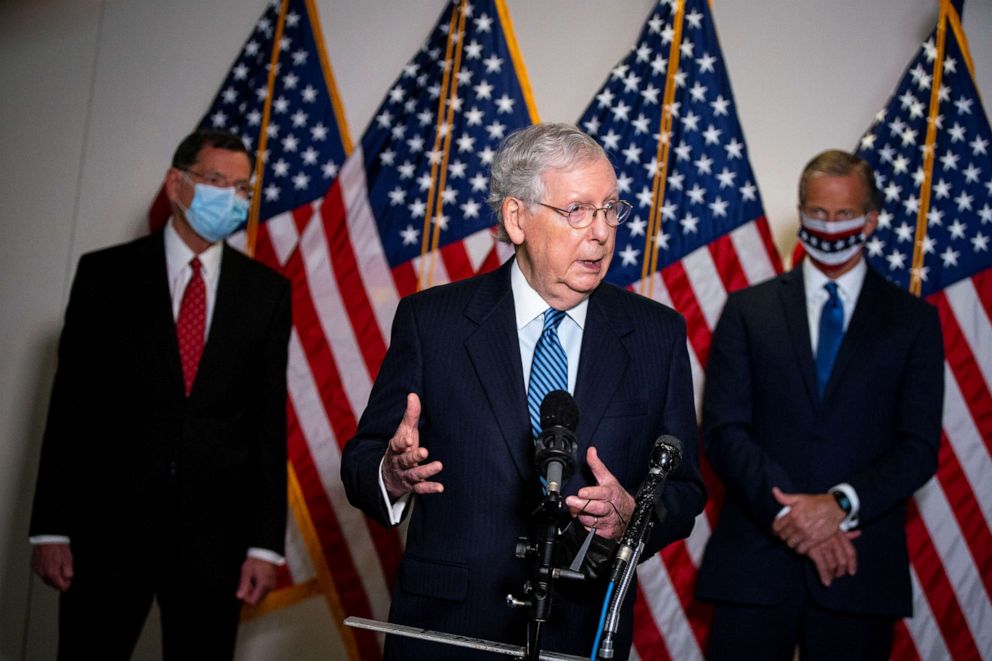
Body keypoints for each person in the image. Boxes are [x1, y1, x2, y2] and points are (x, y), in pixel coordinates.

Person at [341, 123, 706, 659]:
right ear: (517, 218)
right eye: (578, 210)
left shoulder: (658, 335)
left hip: (581, 633)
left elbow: (687, 490)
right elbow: (361, 462)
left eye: (611, 209)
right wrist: (392, 475)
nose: (602, 232)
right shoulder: (432, 322)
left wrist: (635, 515)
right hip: (449, 632)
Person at [29, 129, 292, 660]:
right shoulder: (105, 275)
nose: (230, 196)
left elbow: (266, 424)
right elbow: (71, 408)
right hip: (104, 533)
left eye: (241, 187)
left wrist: (265, 544)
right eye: (216, 180)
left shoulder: (266, 292)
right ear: (177, 184)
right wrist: (50, 528)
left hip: (215, 543)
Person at [695, 149, 944, 659]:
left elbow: (918, 448)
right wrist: (794, 517)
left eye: (845, 215)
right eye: (817, 213)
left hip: (858, 571)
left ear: (871, 220)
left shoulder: (913, 322)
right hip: (753, 571)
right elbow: (723, 432)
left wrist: (839, 507)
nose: (829, 227)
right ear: (801, 211)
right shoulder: (748, 310)